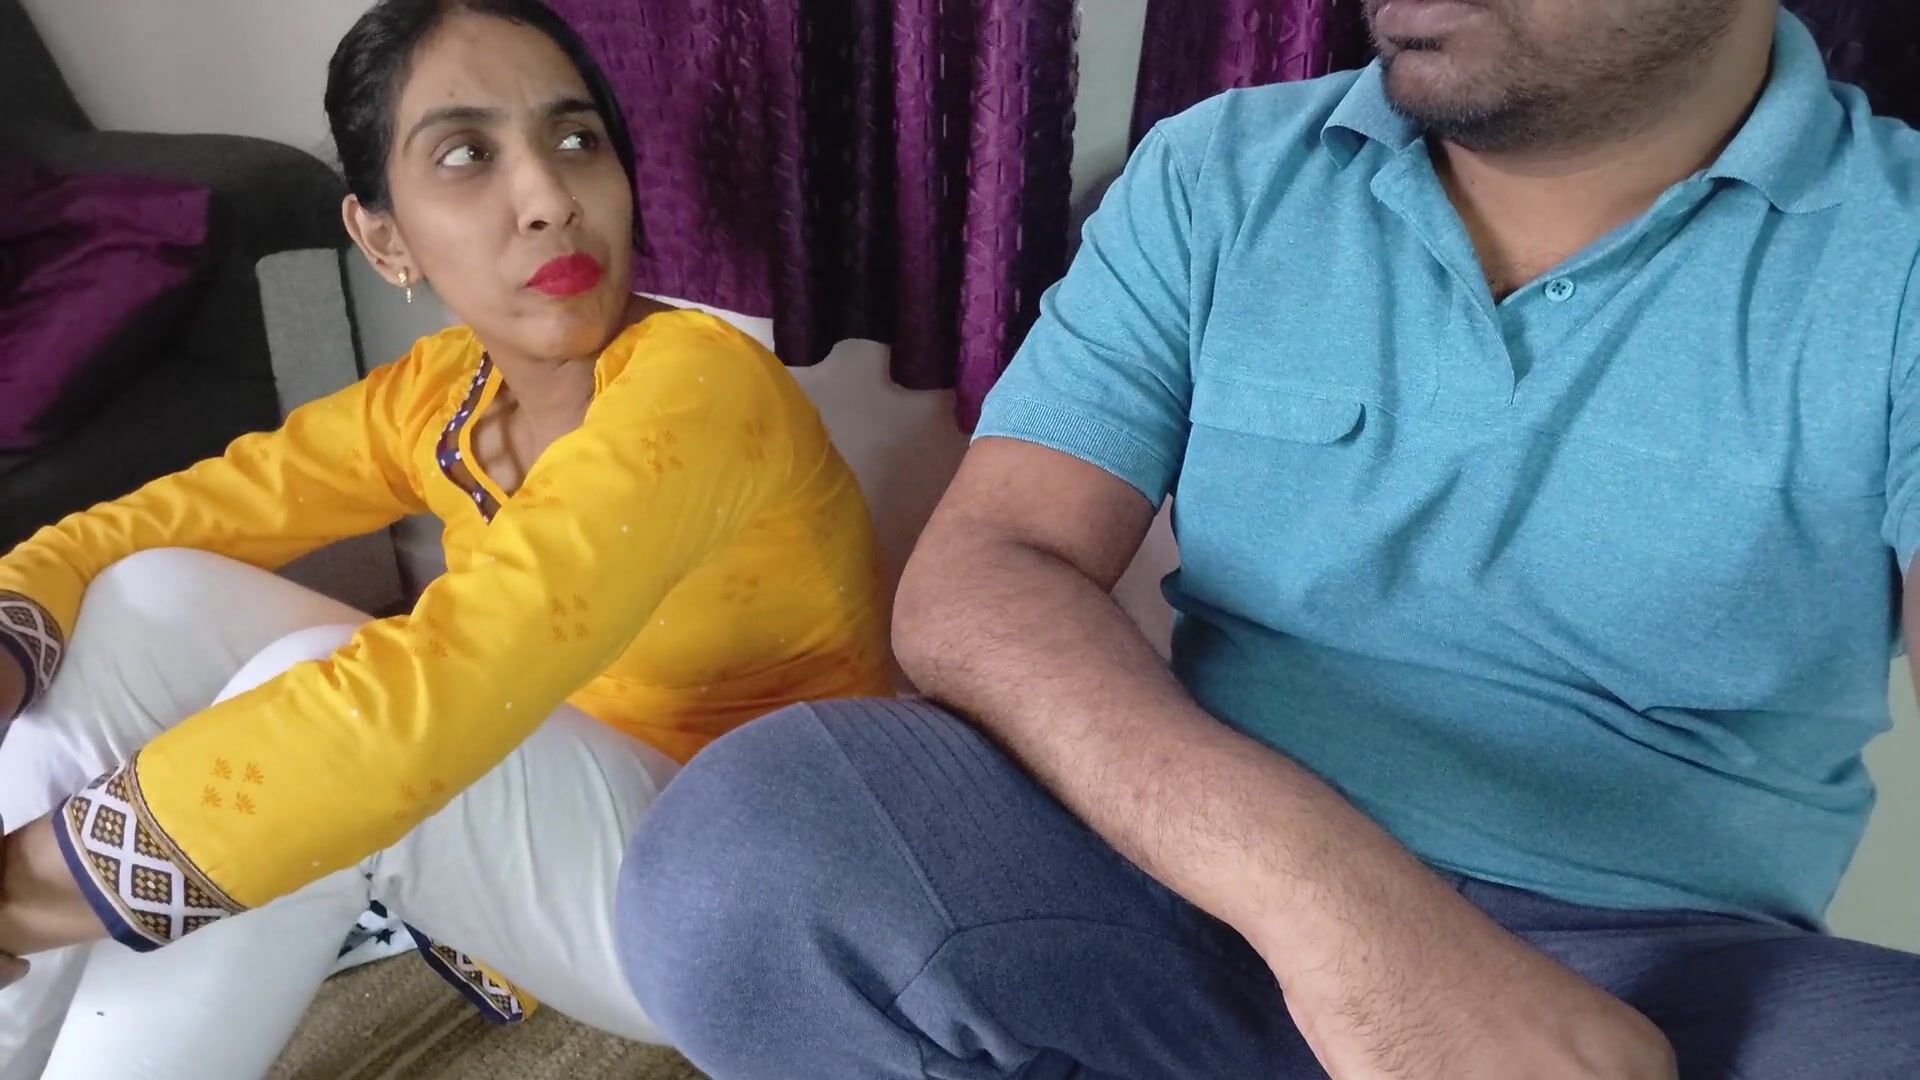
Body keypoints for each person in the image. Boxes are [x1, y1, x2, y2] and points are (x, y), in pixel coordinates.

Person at [617, 2, 1920, 1077]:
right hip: (1187, 879)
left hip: (1664, 976)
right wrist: (1349, 928)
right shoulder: (1222, 171)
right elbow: (987, 567)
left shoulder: (1899, 253)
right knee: (754, 844)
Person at [0, 0, 888, 1075]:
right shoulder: (437, 395)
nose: (550, 199)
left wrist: (24, 893)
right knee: (150, 593)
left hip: (770, 900)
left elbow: (442, 686)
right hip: (577, 829)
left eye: (577, 140)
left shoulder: (698, 387)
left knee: (341, 712)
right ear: (383, 237)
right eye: (468, 153)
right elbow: (142, 528)